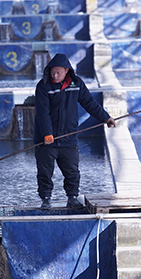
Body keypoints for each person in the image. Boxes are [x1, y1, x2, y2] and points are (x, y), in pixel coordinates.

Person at [34, 53, 116, 210]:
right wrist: (47, 134)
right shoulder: (43, 86)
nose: (55, 75)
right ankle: (46, 199)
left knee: (72, 172)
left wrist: (106, 118)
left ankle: (72, 198)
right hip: (46, 141)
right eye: (52, 72)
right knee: (45, 172)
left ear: (66, 71)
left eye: (58, 72)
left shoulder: (76, 84)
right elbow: (42, 113)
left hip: (68, 138)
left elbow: (89, 103)